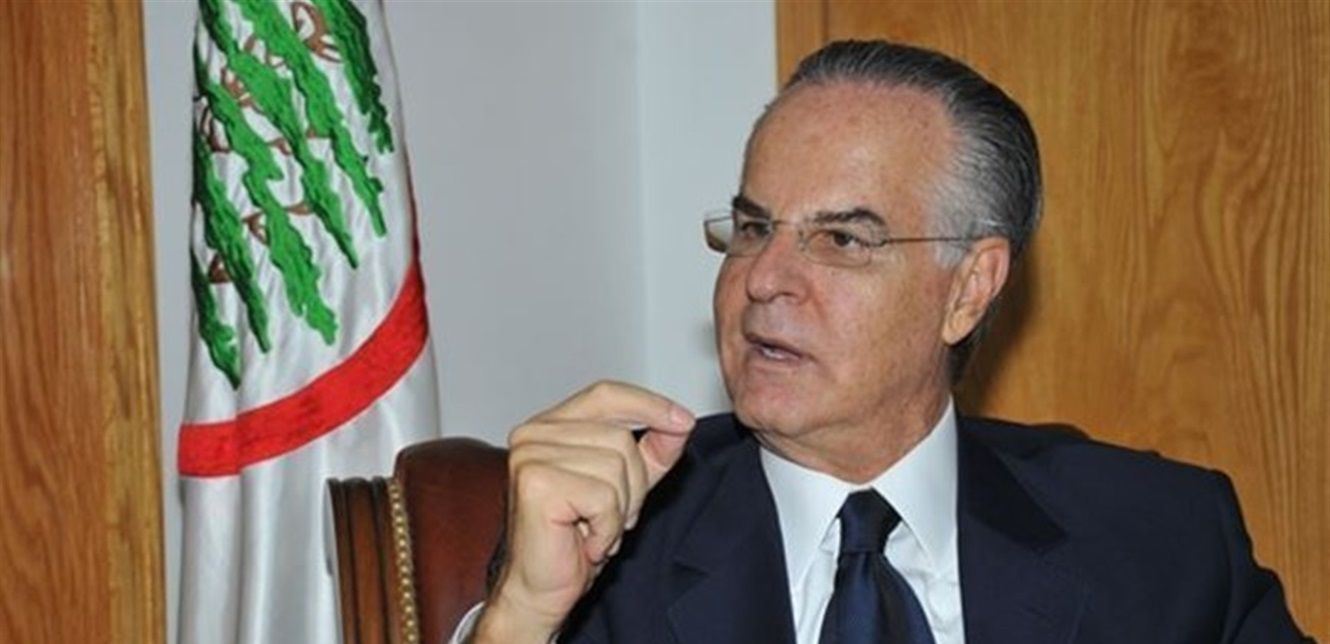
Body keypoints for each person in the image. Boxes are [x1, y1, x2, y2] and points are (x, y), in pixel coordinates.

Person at [459, 40, 1310, 643]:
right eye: (753, 228)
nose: (763, 279)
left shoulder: (1159, 539)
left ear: (968, 289)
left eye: (841, 239)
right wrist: (520, 618)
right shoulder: (614, 547)